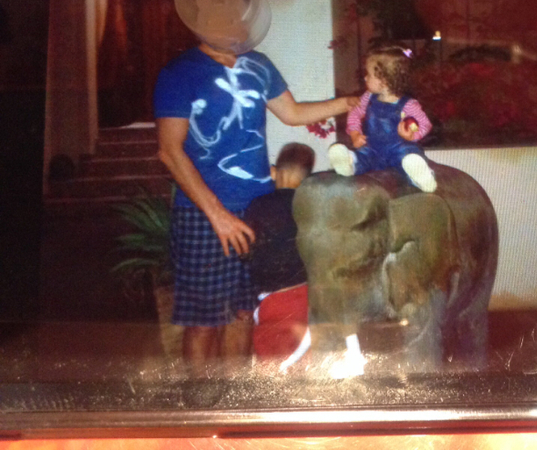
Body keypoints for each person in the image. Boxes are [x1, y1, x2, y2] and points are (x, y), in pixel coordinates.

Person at [154, 42, 357, 376]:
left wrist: (347, 103)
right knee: (204, 323)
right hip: (203, 214)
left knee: (244, 315)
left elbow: (292, 113)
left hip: (256, 210)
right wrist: (218, 215)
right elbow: (169, 150)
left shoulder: (258, 63)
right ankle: (200, 402)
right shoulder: (179, 72)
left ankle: (234, 397)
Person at [242, 142, 314, 361]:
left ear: (273, 172)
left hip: (272, 296)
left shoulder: (257, 205)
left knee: (272, 356)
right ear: (306, 181)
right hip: (305, 291)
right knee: (302, 352)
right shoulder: (308, 206)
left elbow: (246, 249)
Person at [328, 45, 436, 192]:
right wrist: (355, 134)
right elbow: (355, 113)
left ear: (384, 81)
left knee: (409, 156)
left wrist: (412, 136)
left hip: (399, 148)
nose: (365, 77)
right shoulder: (368, 97)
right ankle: (349, 163)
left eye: (369, 74)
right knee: (363, 155)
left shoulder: (409, 105)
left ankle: (422, 178)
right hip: (373, 147)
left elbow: (425, 124)